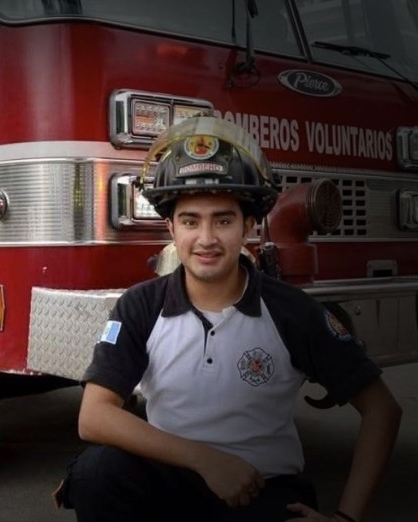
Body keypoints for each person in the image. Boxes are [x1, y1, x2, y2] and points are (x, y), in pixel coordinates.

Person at [55, 117, 402, 522]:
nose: (206, 239)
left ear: (248, 227)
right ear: (170, 227)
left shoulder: (293, 311)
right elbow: (94, 417)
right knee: (97, 474)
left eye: (223, 220)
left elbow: (382, 410)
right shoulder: (140, 306)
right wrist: (207, 461)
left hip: (262, 488)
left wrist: (347, 518)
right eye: (190, 221)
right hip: (171, 481)